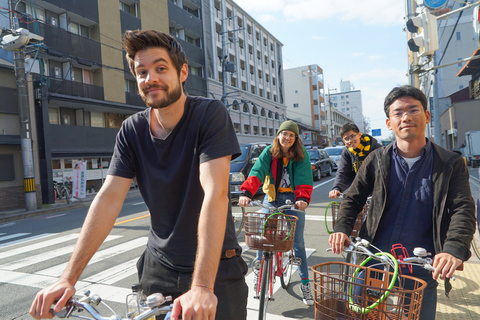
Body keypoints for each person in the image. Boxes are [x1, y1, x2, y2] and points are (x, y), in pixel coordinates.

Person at [29, 30, 247, 320]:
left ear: (182, 72)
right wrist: (67, 278)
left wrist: (202, 286)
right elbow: (108, 199)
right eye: (141, 72)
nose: (150, 79)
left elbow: (215, 193)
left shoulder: (209, 115)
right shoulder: (131, 130)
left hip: (215, 269)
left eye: (160, 68)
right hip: (159, 268)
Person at [329, 85, 476, 320]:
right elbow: (353, 197)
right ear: (389, 123)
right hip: (374, 257)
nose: (405, 117)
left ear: (427, 116)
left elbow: (463, 209)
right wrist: (341, 228)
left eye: (413, 110)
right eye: (397, 113)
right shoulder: (376, 159)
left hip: (420, 263)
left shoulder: (450, 163)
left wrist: (453, 249)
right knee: (358, 314)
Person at [238, 120, 314, 306]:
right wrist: (247, 192)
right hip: (271, 197)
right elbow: (257, 171)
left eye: (291, 135)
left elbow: (304, 177)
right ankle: (258, 273)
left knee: (298, 243)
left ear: (295, 139)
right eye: (284, 134)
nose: (286, 137)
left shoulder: (301, 155)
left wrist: (303, 198)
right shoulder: (269, 153)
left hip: (293, 200)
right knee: (261, 237)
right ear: (278, 135)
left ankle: (305, 285)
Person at [328, 122, 382, 199]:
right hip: (359, 190)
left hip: (379, 191)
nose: (350, 141)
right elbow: (343, 172)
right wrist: (336, 188)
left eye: (352, 136)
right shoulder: (347, 152)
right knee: (346, 208)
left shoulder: (377, 149)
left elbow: (385, 172)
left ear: (359, 134)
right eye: (346, 139)